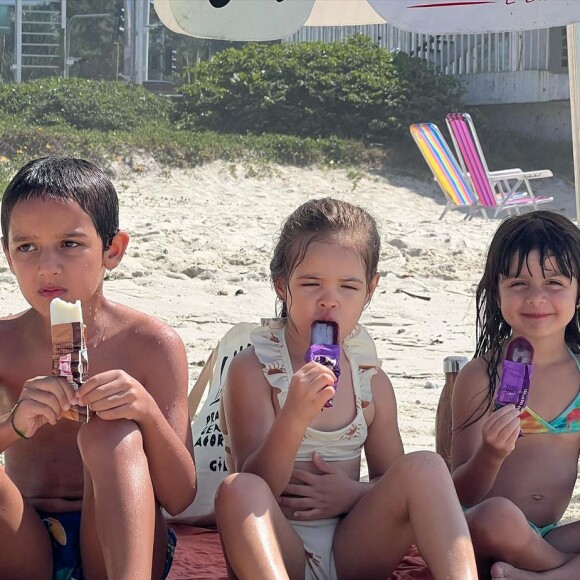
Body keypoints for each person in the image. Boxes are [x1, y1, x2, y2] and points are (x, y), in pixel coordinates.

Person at [215, 197, 477, 580]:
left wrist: (353, 494)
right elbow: (258, 484)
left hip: (353, 548)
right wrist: (294, 417)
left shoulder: (371, 380)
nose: (329, 300)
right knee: (237, 489)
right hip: (276, 547)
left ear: (370, 291)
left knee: (426, 466)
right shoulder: (254, 370)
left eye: (348, 287)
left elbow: (396, 485)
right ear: (282, 286)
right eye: (310, 283)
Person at [0, 156, 197, 580]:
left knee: (112, 434)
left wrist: (143, 411)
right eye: (26, 247)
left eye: (70, 244)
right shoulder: (3, 343)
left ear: (113, 250)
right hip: (23, 541)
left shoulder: (153, 345)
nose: (47, 266)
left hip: (124, 545)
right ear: (8, 255)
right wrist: (14, 424)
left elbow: (180, 496)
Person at [451, 210, 580, 579]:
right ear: (497, 291)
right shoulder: (480, 378)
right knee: (499, 515)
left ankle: (536, 574)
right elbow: (460, 493)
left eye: (554, 282)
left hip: (553, 536)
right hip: (486, 531)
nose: (536, 298)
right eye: (519, 283)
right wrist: (491, 454)